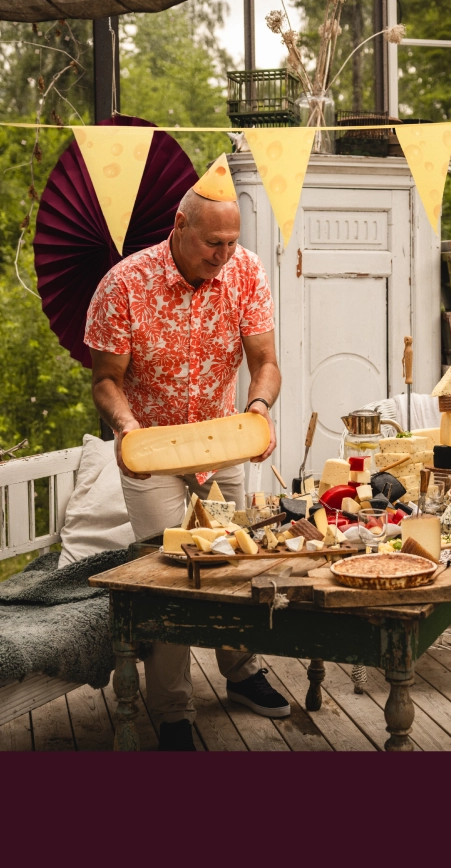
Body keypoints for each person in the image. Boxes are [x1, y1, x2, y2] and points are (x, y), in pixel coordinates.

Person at [85, 177, 290, 751]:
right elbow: (105, 380)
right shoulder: (124, 284)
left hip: (222, 445)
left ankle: (241, 671)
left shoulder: (246, 272)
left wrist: (258, 408)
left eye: (231, 243)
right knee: (168, 573)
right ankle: (173, 708)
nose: (224, 256)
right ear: (180, 227)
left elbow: (266, 361)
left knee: (231, 563)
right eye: (212, 244)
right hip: (152, 453)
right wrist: (127, 426)